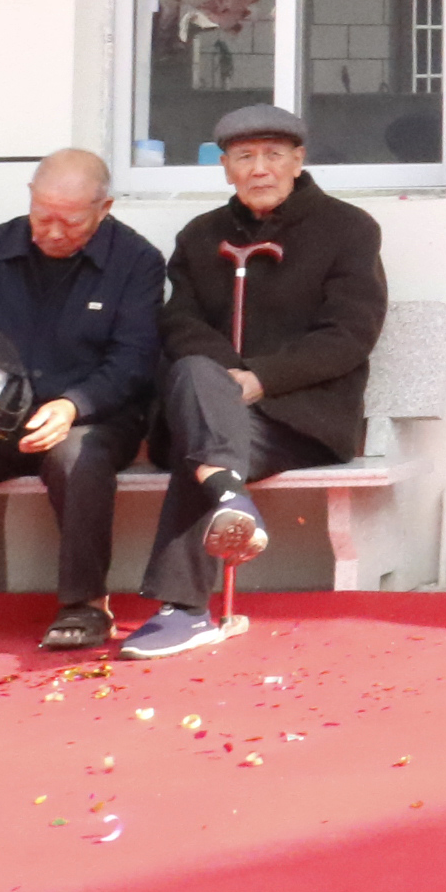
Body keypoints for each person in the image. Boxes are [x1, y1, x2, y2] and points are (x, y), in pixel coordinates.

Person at [120, 105, 389, 660]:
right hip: (211, 406)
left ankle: (183, 608)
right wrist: (226, 381)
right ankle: (229, 498)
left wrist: (261, 378)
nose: (259, 168)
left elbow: (349, 335)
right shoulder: (200, 236)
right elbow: (179, 322)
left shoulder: (348, 229)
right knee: (196, 384)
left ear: (298, 160)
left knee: (202, 443)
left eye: (273, 155)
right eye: (244, 157)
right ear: (225, 167)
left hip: (300, 417)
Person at [0, 152, 166, 650]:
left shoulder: (136, 261)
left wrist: (73, 405)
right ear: (30, 197)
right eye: (42, 216)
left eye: (69, 222)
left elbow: (135, 359)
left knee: (77, 457)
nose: (52, 232)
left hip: (93, 414)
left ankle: (85, 604)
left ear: (104, 208)